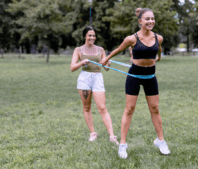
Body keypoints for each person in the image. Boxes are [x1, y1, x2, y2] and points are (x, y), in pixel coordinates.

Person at [100, 8, 170, 159]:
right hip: (134, 75)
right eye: (147, 19)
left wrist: (158, 57)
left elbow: (158, 51)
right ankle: (123, 145)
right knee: (129, 108)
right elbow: (119, 49)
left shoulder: (159, 38)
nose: (151, 21)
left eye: (152, 18)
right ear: (140, 22)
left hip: (150, 76)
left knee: (155, 108)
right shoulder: (131, 39)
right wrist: (106, 59)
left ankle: (160, 140)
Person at [71, 26, 119, 145]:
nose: (92, 37)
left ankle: (112, 136)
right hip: (84, 79)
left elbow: (106, 68)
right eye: (90, 35)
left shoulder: (100, 49)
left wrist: (108, 63)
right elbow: (72, 67)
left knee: (102, 107)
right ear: (85, 36)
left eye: (93, 35)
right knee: (87, 107)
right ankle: (92, 133)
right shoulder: (79, 50)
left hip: (97, 77)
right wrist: (82, 62)